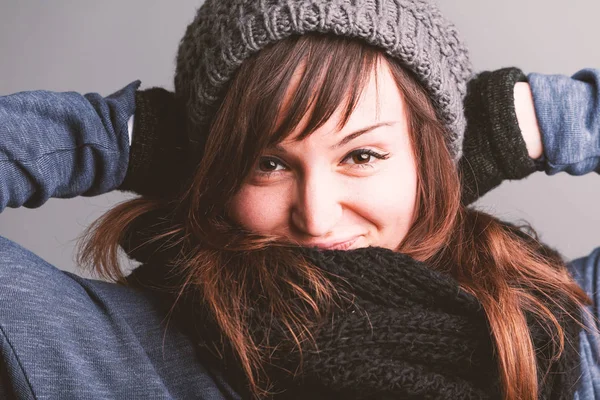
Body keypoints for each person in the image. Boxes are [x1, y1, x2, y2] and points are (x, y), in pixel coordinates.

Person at [1, 1, 599, 399]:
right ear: (211, 171)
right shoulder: (110, 348)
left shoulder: (558, 321)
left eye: (362, 156)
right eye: (268, 163)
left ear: (433, 161)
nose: (316, 216)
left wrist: (520, 123)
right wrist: (123, 138)